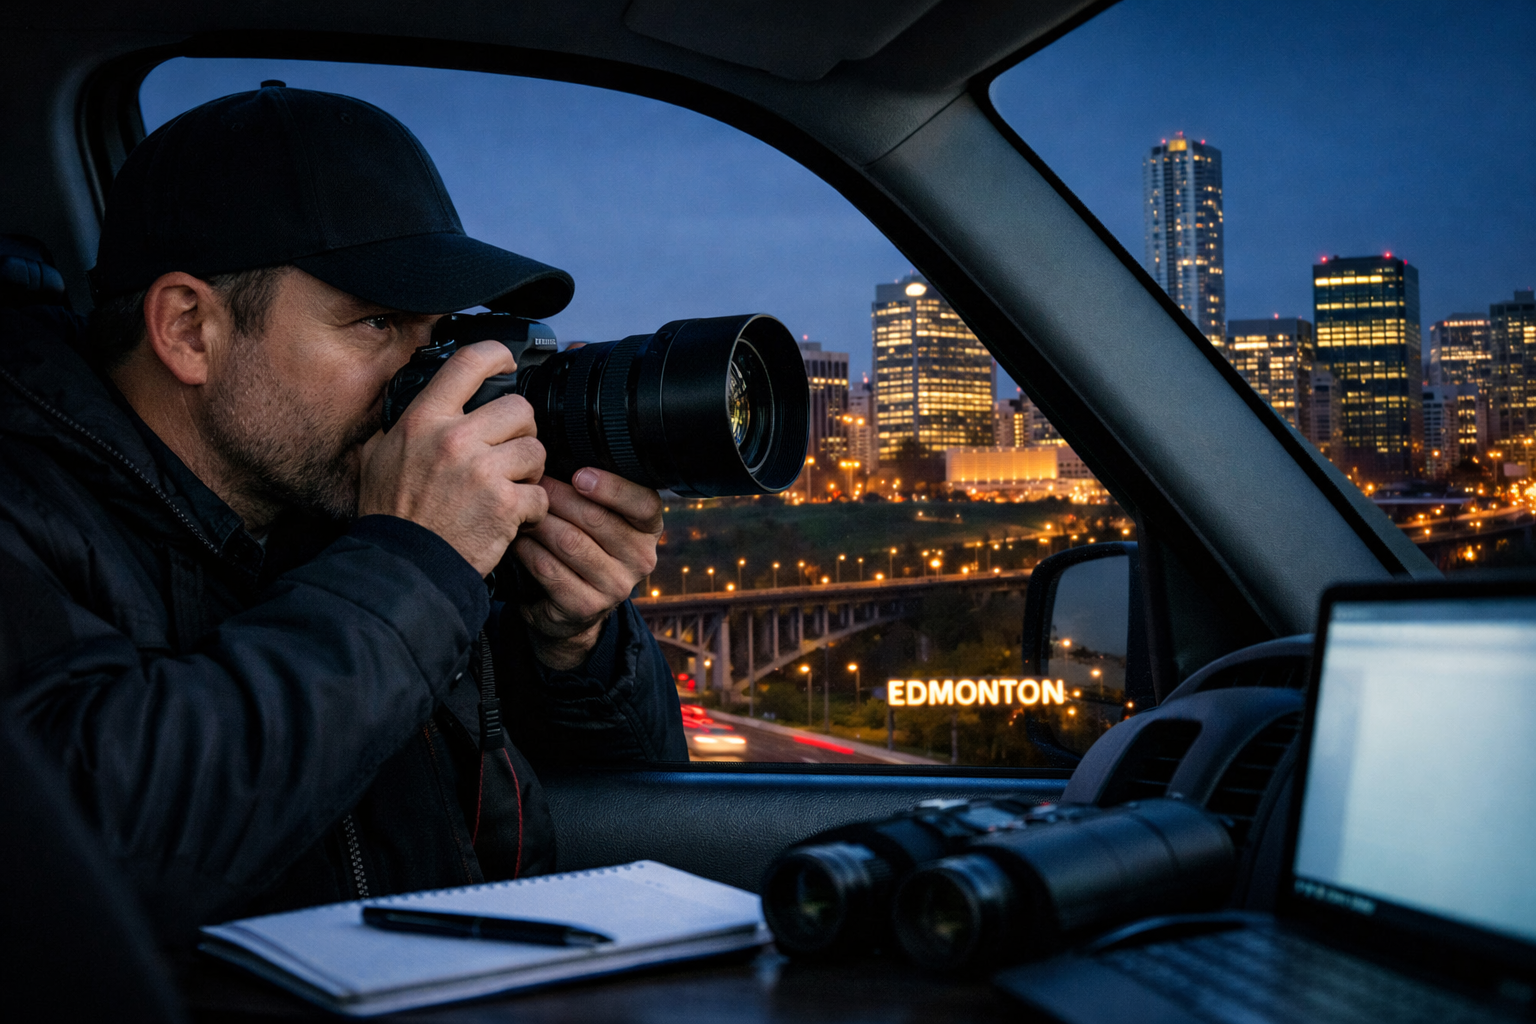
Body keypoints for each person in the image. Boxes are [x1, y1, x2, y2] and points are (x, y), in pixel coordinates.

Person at [0, 84, 685, 944]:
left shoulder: (338, 513)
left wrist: (575, 648)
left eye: (433, 331)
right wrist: (412, 564)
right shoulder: (28, 515)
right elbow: (92, 857)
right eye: (375, 322)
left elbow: (635, 814)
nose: (426, 380)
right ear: (187, 329)